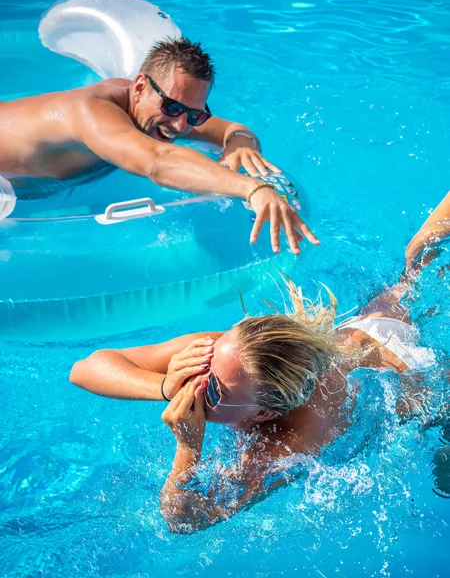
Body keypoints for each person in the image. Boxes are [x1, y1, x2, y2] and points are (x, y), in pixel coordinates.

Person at [70, 191, 450, 532]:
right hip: (359, 330)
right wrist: (163, 386)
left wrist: (188, 450)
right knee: (412, 271)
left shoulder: (289, 440)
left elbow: (185, 520)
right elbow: (85, 368)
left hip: (406, 373)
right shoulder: (220, 355)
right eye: (206, 366)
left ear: (265, 413)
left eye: (215, 389)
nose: (196, 380)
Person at [0, 37, 317, 254]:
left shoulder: (163, 112)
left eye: (194, 114)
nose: (180, 125)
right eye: (172, 108)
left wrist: (239, 144)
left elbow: (233, 129)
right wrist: (254, 189)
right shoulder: (90, 112)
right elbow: (157, 161)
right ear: (139, 87)